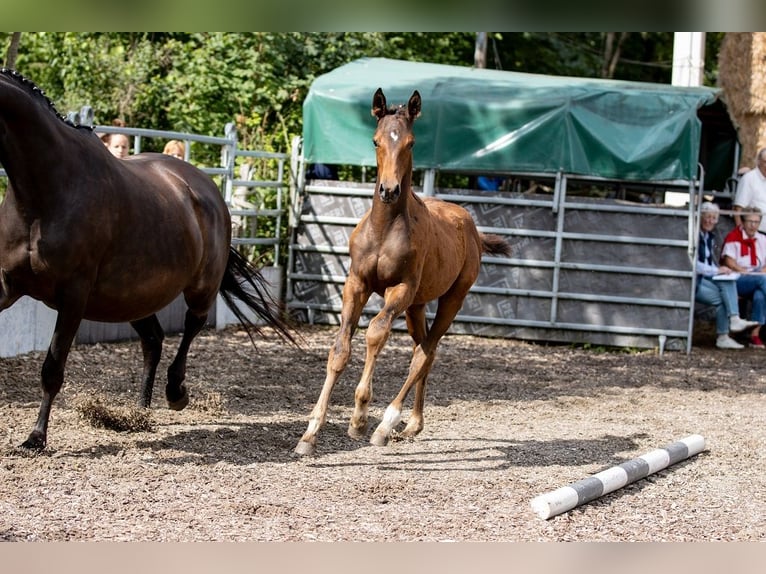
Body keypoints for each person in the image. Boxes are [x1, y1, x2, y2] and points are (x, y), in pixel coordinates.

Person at [694, 202, 758, 349]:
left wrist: (719, 269)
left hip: (704, 277)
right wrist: (716, 270)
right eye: (707, 217)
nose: (710, 221)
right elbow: (694, 264)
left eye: (714, 218)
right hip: (694, 281)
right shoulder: (695, 235)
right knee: (722, 296)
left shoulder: (709, 236)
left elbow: (707, 264)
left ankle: (733, 321)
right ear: (701, 217)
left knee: (727, 280)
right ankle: (725, 332)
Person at [722, 205, 766, 348]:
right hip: (738, 279)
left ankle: (755, 334)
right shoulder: (734, 237)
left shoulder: (763, 239)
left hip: (758, 278)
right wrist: (743, 271)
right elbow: (728, 261)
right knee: (762, 281)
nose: (753, 225)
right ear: (743, 221)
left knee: (760, 295)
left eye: (756, 222)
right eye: (750, 221)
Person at [733, 148, 766, 231]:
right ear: (758, 161)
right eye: (765, 162)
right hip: (754, 233)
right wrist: (741, 235)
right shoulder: (749, 178)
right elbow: (738, 209)